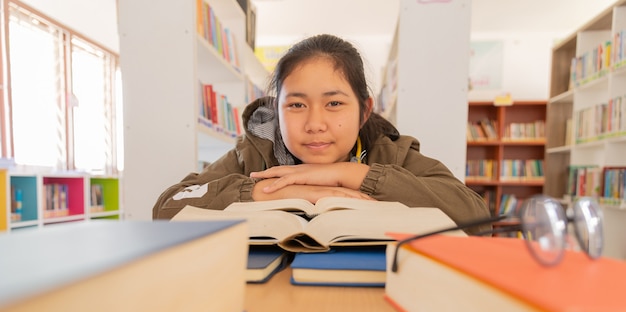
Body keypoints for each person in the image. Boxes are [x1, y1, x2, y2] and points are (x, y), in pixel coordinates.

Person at [153, 34, 491, 234]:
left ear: (364, 110)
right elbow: (167, 208)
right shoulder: (254, 152)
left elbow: (476, 218)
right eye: (297, 106)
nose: (315, 123)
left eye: (334, 104)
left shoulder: (392, 154)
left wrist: (350, 174)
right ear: (277, 109)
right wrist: (294, 190)